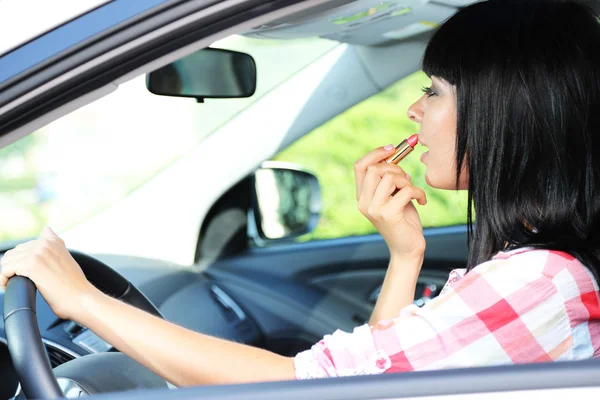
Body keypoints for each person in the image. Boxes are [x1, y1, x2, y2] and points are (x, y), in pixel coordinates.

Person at [2, 0, 600, 386]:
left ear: (507, 113)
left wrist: (85, 302)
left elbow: (304, 388)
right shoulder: (536, 270)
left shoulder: (538, 282)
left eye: (434, 91)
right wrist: (404, 254)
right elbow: (372, 381)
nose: (414, 111)